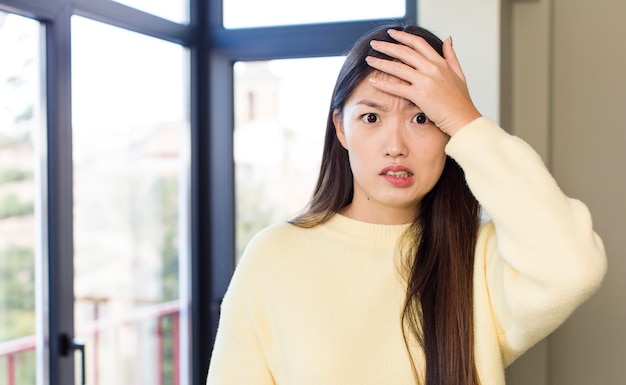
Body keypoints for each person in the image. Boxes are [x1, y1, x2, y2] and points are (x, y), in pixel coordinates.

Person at [206, 24, 607, 385]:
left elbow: (574, 266)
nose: (395, 147)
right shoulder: (275, 256)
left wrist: (466, 120)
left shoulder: (480, 260)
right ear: (340, 128)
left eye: (422, 119)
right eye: (371, 118)